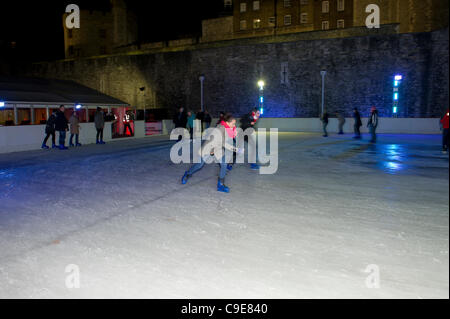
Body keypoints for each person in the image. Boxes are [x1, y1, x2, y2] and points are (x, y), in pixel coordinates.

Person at [181, 113, 240, 193]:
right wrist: (235, 149)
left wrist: (234, 139)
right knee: (199, 165)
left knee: (224, 164)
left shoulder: (228, 129)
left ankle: (220, 185)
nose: (234, 125)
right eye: (233, 123)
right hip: (209, 148)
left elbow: (225, 142)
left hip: (218, 148)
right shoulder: (219, 129)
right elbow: (218, 142)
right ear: (227, 123)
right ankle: (188, 173)